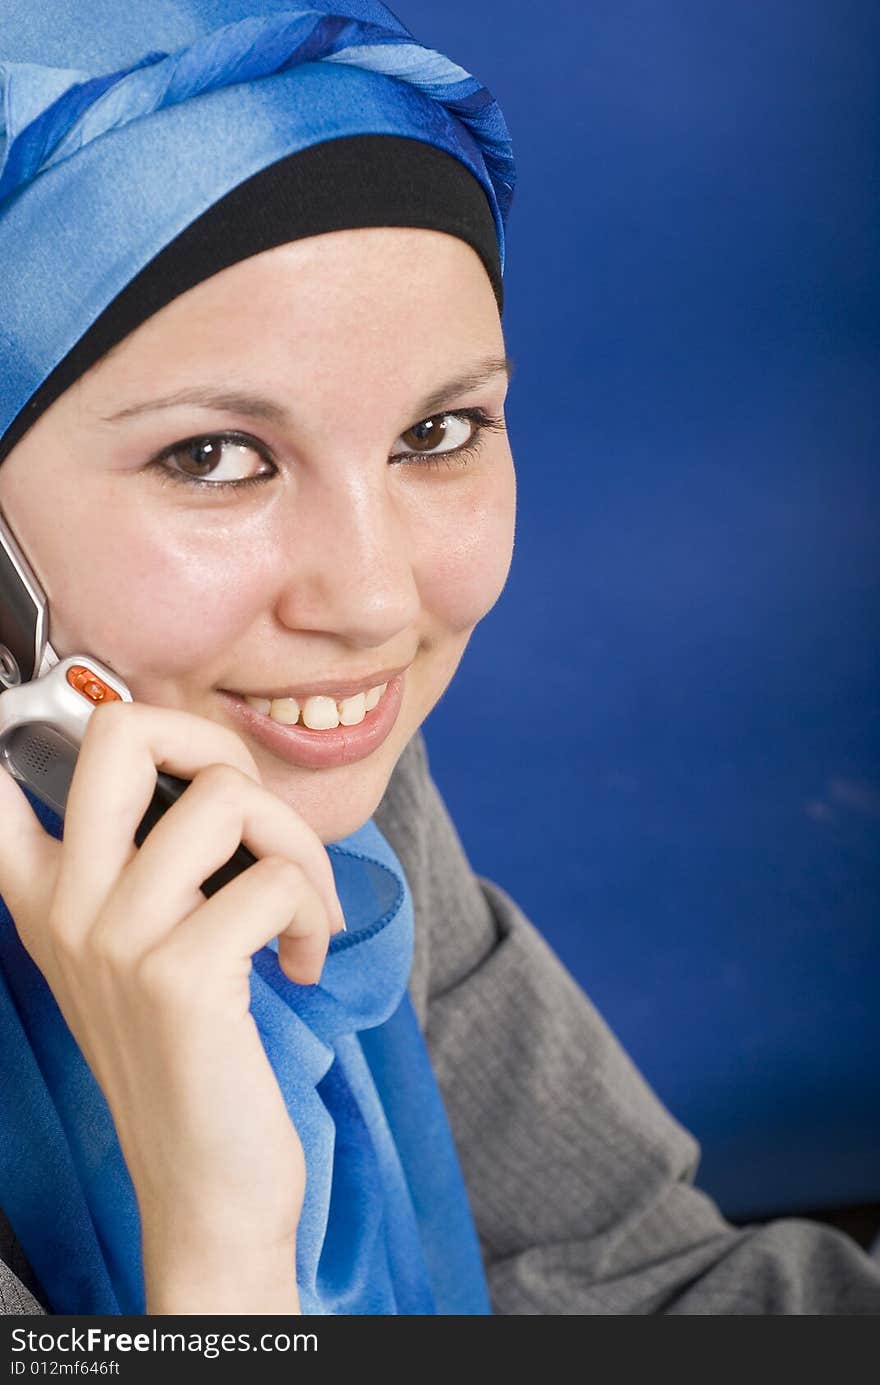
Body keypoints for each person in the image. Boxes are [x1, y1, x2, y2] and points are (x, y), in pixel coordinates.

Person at [0, 1, 878, 1317]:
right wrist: (221, 1230)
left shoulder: (317, 790)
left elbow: (635, 1284)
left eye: (439, 431)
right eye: (215, 457)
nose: (370, 600)